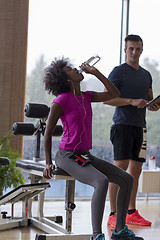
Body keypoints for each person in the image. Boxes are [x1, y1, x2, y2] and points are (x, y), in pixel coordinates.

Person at [43, 56, 144, 240]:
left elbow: (114, 93)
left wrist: (96, 73)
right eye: (70, 69)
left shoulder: (86, 96)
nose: (76, 69)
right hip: (66, 155)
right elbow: (47, 133)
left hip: (84, 154)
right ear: (65, 80)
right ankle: (97, 236)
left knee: (127, 179)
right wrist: (48, 162)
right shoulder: (61, 101)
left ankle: (120, 231)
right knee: (101, 181)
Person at [103, 34, 160, 228]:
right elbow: (106, 99)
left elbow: (149, 98)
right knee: (119, 168)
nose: (134, 52)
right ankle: (113, 213)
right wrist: (130, 101)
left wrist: (153, 105)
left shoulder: (146, 74)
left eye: (138, 49)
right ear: (125, 50)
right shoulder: (118, 72)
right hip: (122, 125)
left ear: (142, 50)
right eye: (131, 49)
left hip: (140, 127)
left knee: (136, 170)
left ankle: (131, 212)